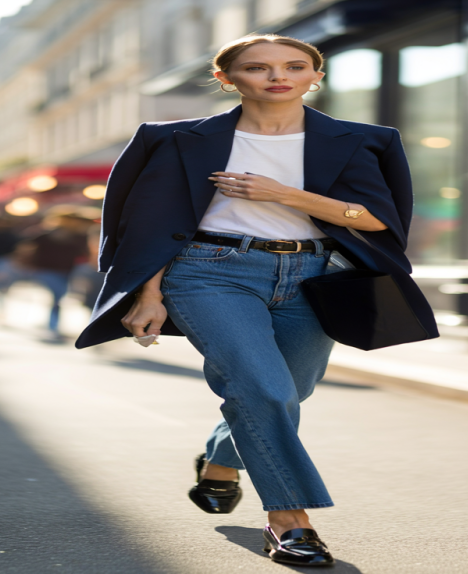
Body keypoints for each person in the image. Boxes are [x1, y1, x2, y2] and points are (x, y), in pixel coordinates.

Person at [74, 34, 438, 566]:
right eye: (257, 67)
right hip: (208, 272)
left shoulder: (362, 139)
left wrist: (285, 193)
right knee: (263, 389)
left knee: (289, 391)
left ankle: (221, 458)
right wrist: (149, 293)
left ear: (317, 75)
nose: (278, 77)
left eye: (295, 66)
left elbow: (378, 219)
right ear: (226, 78)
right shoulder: (173, 139)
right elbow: (143, 224)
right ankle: (290, 522)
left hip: (316, 274)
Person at [9, 211, 91, 338]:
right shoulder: (45, 234)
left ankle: (52, 324)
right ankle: (53, 325)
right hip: (45, 269)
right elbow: (26, 245)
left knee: (58, 297)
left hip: (67, 270)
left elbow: (84, 253)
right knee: (57, 296)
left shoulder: (79, 235)